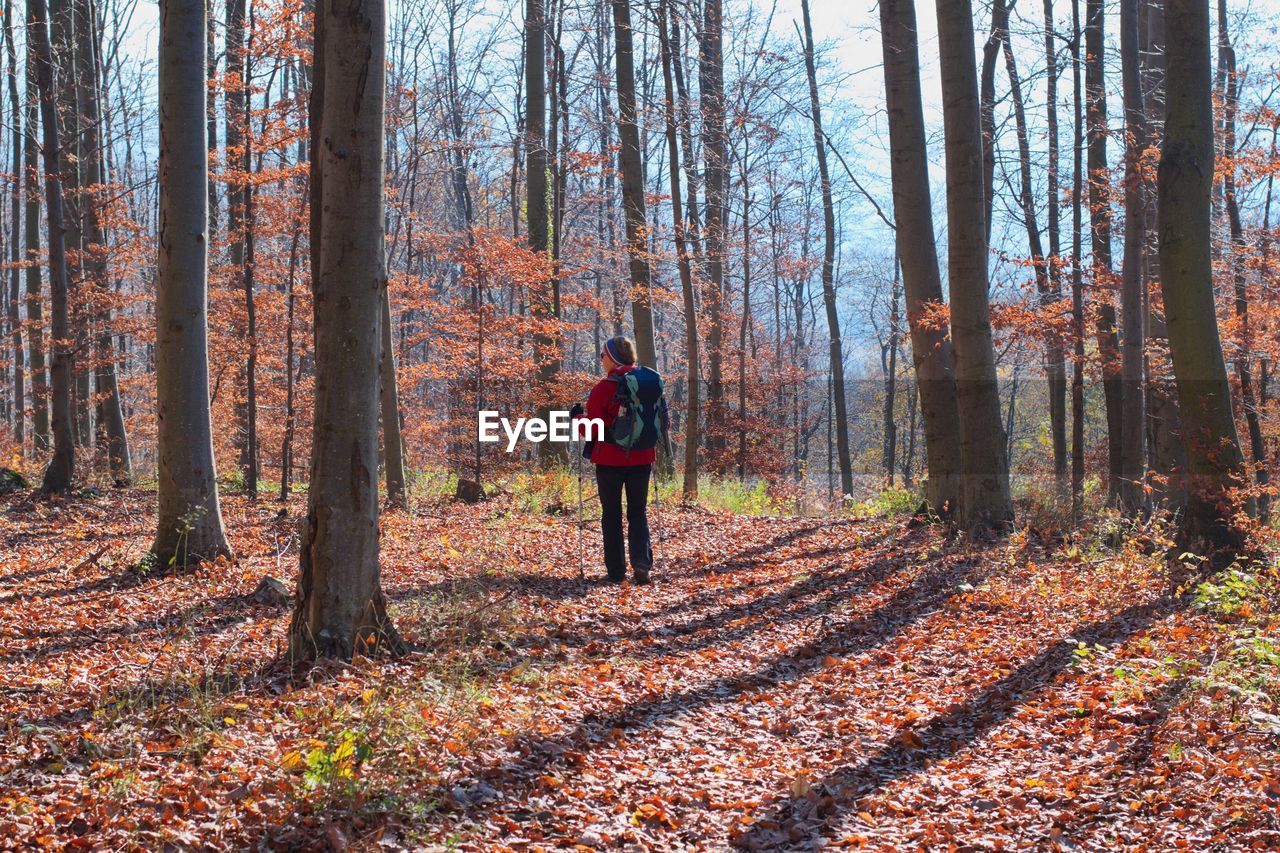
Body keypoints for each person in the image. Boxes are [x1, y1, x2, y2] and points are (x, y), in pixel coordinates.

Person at [570, 335, 666, 585]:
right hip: (643, 457)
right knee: (638, 512)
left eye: (603, 355)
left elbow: (593, 430)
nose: (601, 360)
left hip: (610, 461)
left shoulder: (604, 388)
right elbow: (663, 422)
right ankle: (642, 564)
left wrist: (578, 417)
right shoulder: (650, 382)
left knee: (611, 514)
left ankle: (616, 572)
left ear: (612, 357)